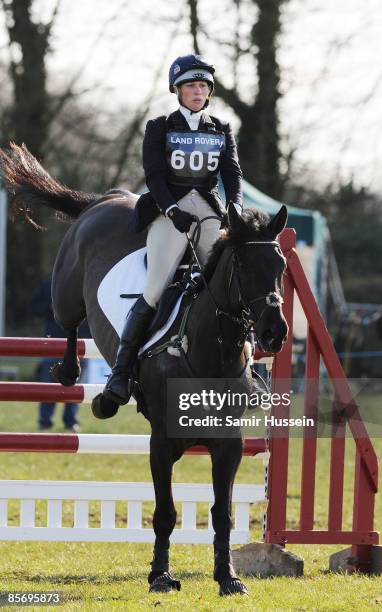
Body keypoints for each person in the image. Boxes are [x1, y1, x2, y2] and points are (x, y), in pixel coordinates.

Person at [103, 53, 244, 405]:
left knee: (226, 282)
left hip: (209, 209)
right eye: (191, 86)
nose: (198, 91)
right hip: (171, 210)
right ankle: (121, 371)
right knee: (157, 286)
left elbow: (232, 173)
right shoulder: (159, 126)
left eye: (203, 86)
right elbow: (153, 175)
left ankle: (248, 368)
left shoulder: (222, 129)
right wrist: (169, 209)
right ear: (177, 90)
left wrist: (235, 207)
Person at [30, 277, 91, 432]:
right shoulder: (49, 284)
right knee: (49, 387)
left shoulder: (86, 283)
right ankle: (45, 423)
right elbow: (34, 307)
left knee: (74, 386)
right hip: (53, 342)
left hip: (79, 341)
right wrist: (50, 308)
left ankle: (70, 422)